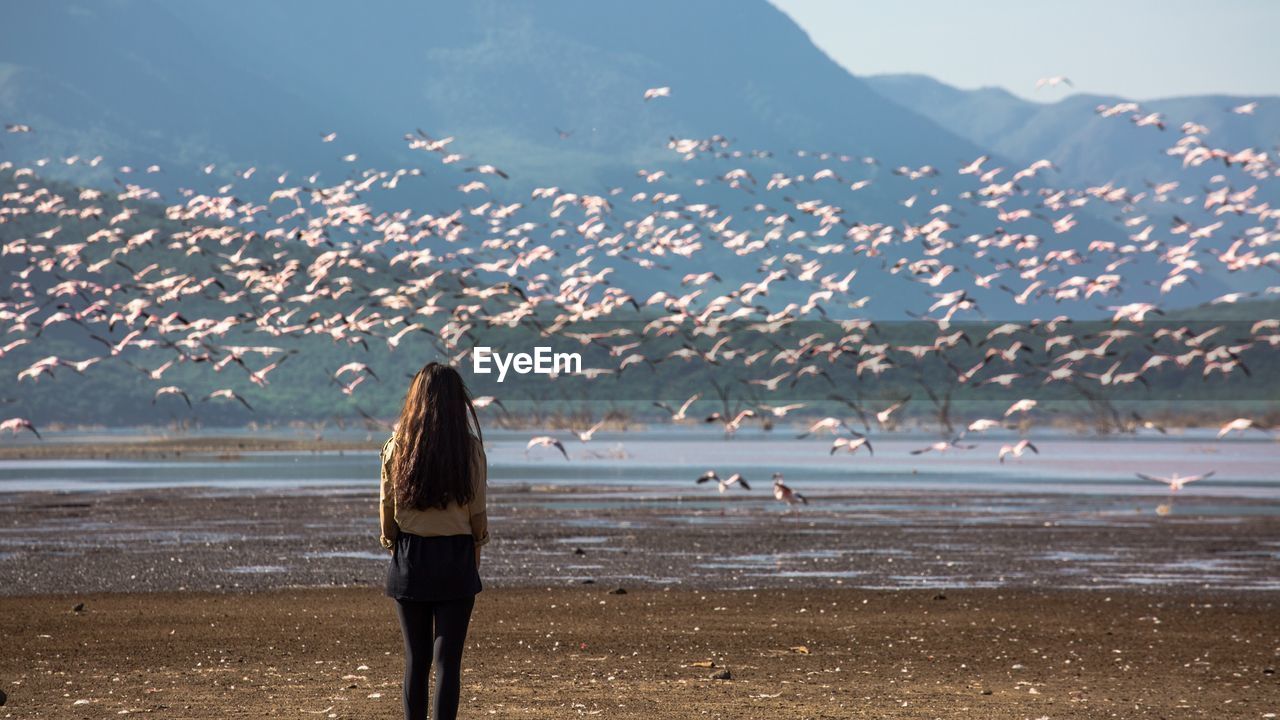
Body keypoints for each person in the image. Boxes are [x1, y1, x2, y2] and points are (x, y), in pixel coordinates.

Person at [379, 362, 489, 720]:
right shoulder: (470, 449)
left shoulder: (398, 446)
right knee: (448, 662)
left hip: (411, 555)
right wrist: (477, 546)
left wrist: (392, 542)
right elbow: (477, 510)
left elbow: (388, 505)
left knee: (416, 659)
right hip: (457, 556)